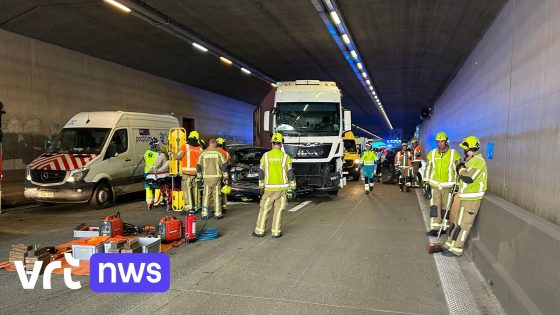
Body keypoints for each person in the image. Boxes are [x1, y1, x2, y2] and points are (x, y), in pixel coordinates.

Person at [442, 136, 487, 257]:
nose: (464, 151)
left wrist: (460, 169)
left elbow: (469, 178)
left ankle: (457, 249)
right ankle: (450, 244)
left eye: (465, 148)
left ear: (469, 149)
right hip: (465, 198)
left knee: (464, 225)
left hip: (472, 200)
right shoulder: (471, 161)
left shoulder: (478, 161)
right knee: (457, 223)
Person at [253, 133, 296, 238]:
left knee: (264, 209)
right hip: (282, 189)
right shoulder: (286, 157)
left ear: (272, 144)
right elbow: (290, 173)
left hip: (269, 189)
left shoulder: (266, 156)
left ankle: (259, 231)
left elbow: (261, 172)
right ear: (281, 144)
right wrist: (293, 187)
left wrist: (261, 186)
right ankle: (276, 232)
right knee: (279, 210)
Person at [424, 132, 460, 234]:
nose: (440, 144)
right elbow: (428, 168)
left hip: (448, 186)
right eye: (438, 142)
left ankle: (443, 228)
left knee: (446, 207)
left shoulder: (454, 154)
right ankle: (435, 228)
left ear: (446, 141)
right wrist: (426, 183)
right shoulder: (432, 154)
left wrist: (457, 186)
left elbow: (458, 171)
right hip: (434, 185)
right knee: (435, 207)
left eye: (442, 141)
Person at [197, 138, 229, 219]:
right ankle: (218, 214)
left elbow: (198, 166)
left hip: (206, 178)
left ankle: (204, 214)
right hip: (217, 178)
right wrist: (225, 177)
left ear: (209, 143)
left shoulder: (202, 153)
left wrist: (199, 178)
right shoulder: (219, 153)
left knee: (206, 196)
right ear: (214, 144)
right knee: (217, 196)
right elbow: (224, 165)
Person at [173, 131, 202, 212]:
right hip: (196, 174)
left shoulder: (185, 146)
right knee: (195, 190)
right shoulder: (200, 148)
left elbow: (176, 156)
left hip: (187, 174)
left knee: (186, 190)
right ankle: (196, 207)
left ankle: (188, 209)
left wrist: (176, 155)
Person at [144, 138, 162, 209]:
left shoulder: (146, 152)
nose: (158, 146)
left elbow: (145, 160)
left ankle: (149, 202)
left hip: (146, 172)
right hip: (154, 172)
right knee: (157, 187)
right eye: (157, 145)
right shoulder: (157, 154)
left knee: (148, 187)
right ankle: (156, 202)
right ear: (155, 146)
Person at [216, 137, 232, 214]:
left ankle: (217, 208)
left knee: (216, 192)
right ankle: (224, 207)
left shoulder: (214, 152)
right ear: (222, 144)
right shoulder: (226, 153)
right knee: (223, 191)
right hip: (224, 175)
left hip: (216, 174)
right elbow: (229, 164)